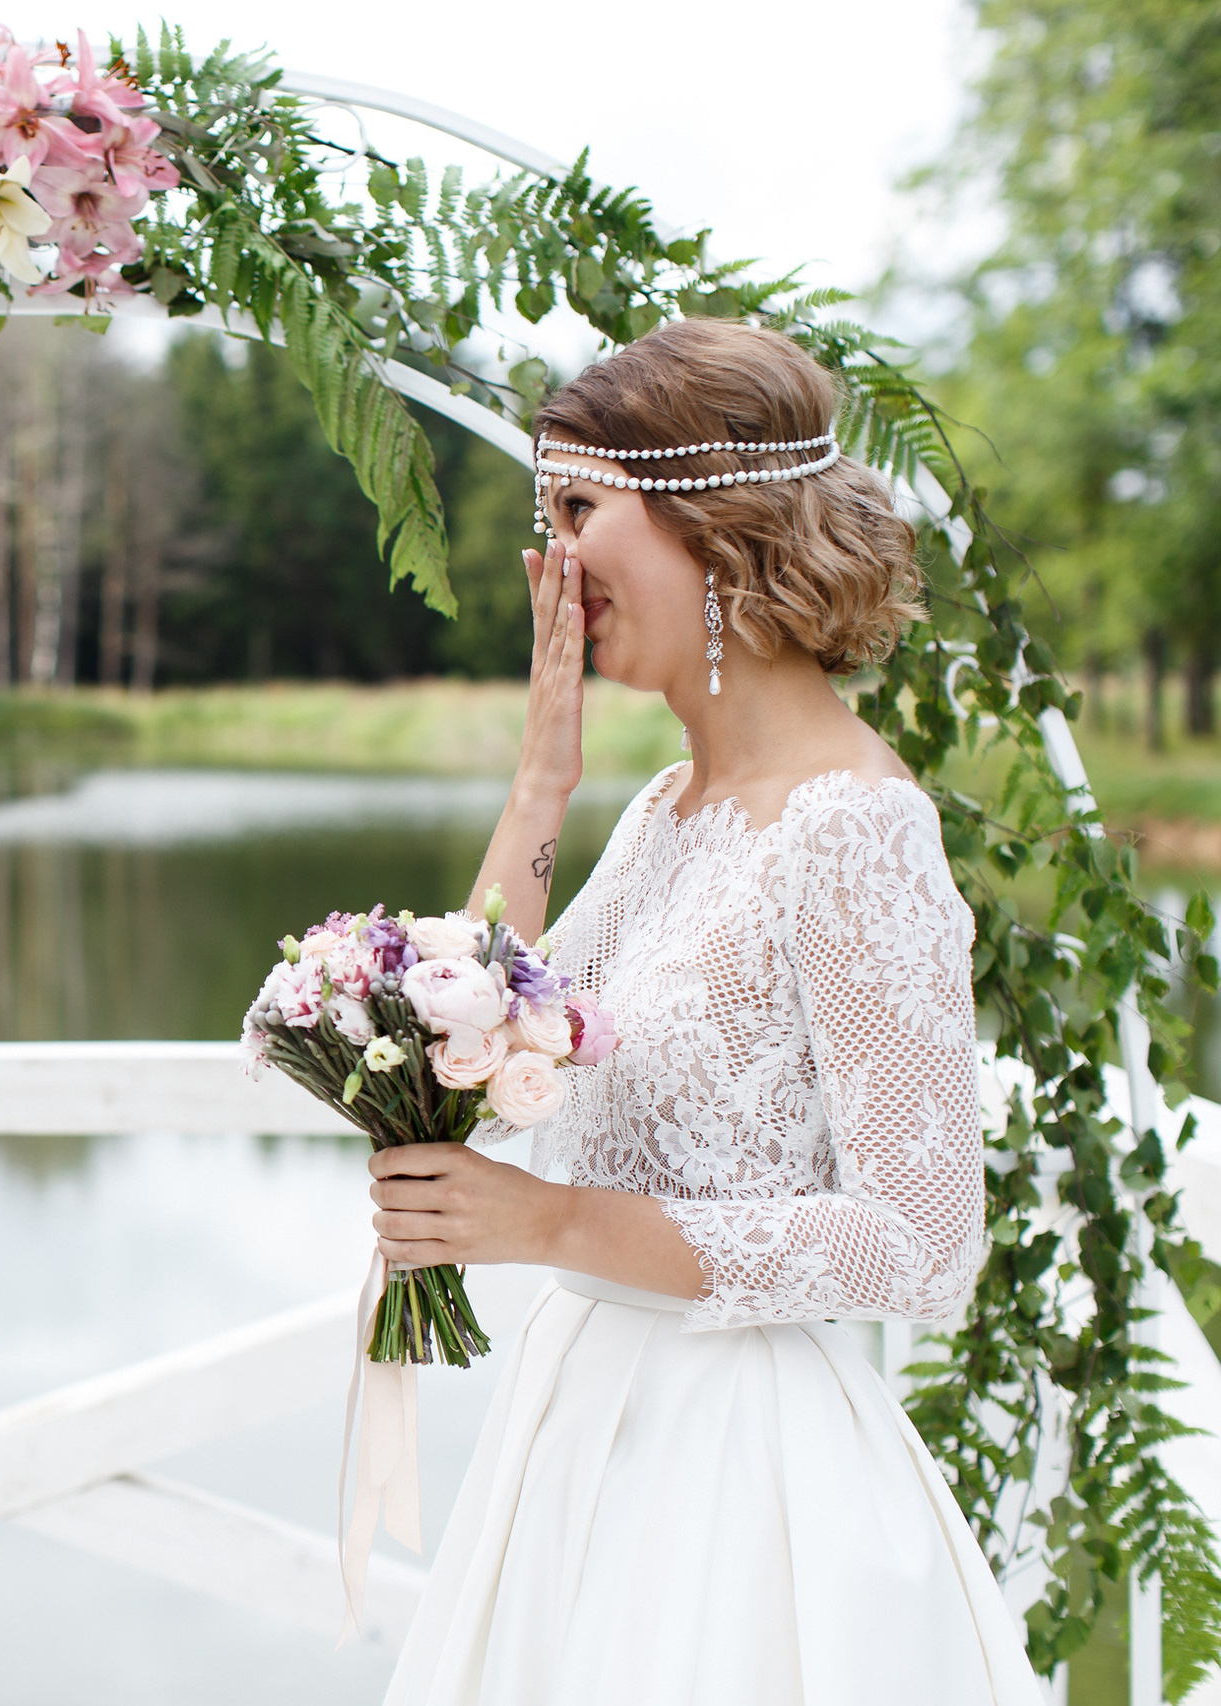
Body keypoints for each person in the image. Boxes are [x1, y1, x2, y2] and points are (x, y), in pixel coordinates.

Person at [366, 319, 1034, 1702]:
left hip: (738, 1477)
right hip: (578, 1434)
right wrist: (540, 785)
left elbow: (923, 1241)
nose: (550, 563)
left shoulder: (857, 827)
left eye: (579, 512)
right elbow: (470, 1036)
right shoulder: (672, 810)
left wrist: (552, 1222)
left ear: (713, 528)